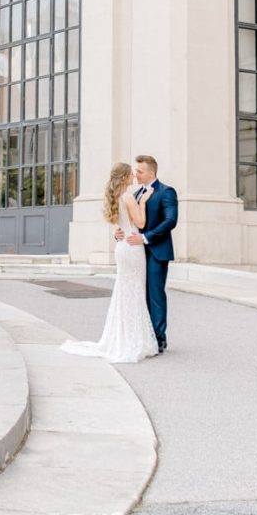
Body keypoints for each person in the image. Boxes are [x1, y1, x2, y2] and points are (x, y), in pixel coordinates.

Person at [61, 162, 159, 364]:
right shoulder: (129, 197)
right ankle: (133, 339)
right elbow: (140, 224)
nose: (134, 176)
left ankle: (124, 337)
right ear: (124, 178)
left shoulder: (115, 197)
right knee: (135, 292)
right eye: (131, 174)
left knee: (125, 291)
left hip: (122, 246)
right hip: (132, 247)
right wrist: (143, 203)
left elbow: (121, 223)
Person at [119, 154, 178, 352]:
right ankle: (144, 334)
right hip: (135, 252)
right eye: (135, 171)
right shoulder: (135, 194)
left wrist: (145, 238)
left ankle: (159, 337)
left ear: (151, 172)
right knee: (139, 293)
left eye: (140, 171)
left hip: (156, 251)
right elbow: (132, 221)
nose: (136, 175)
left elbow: (170, 221)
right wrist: (120, 232)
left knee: (155, 294)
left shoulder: (166, 192)